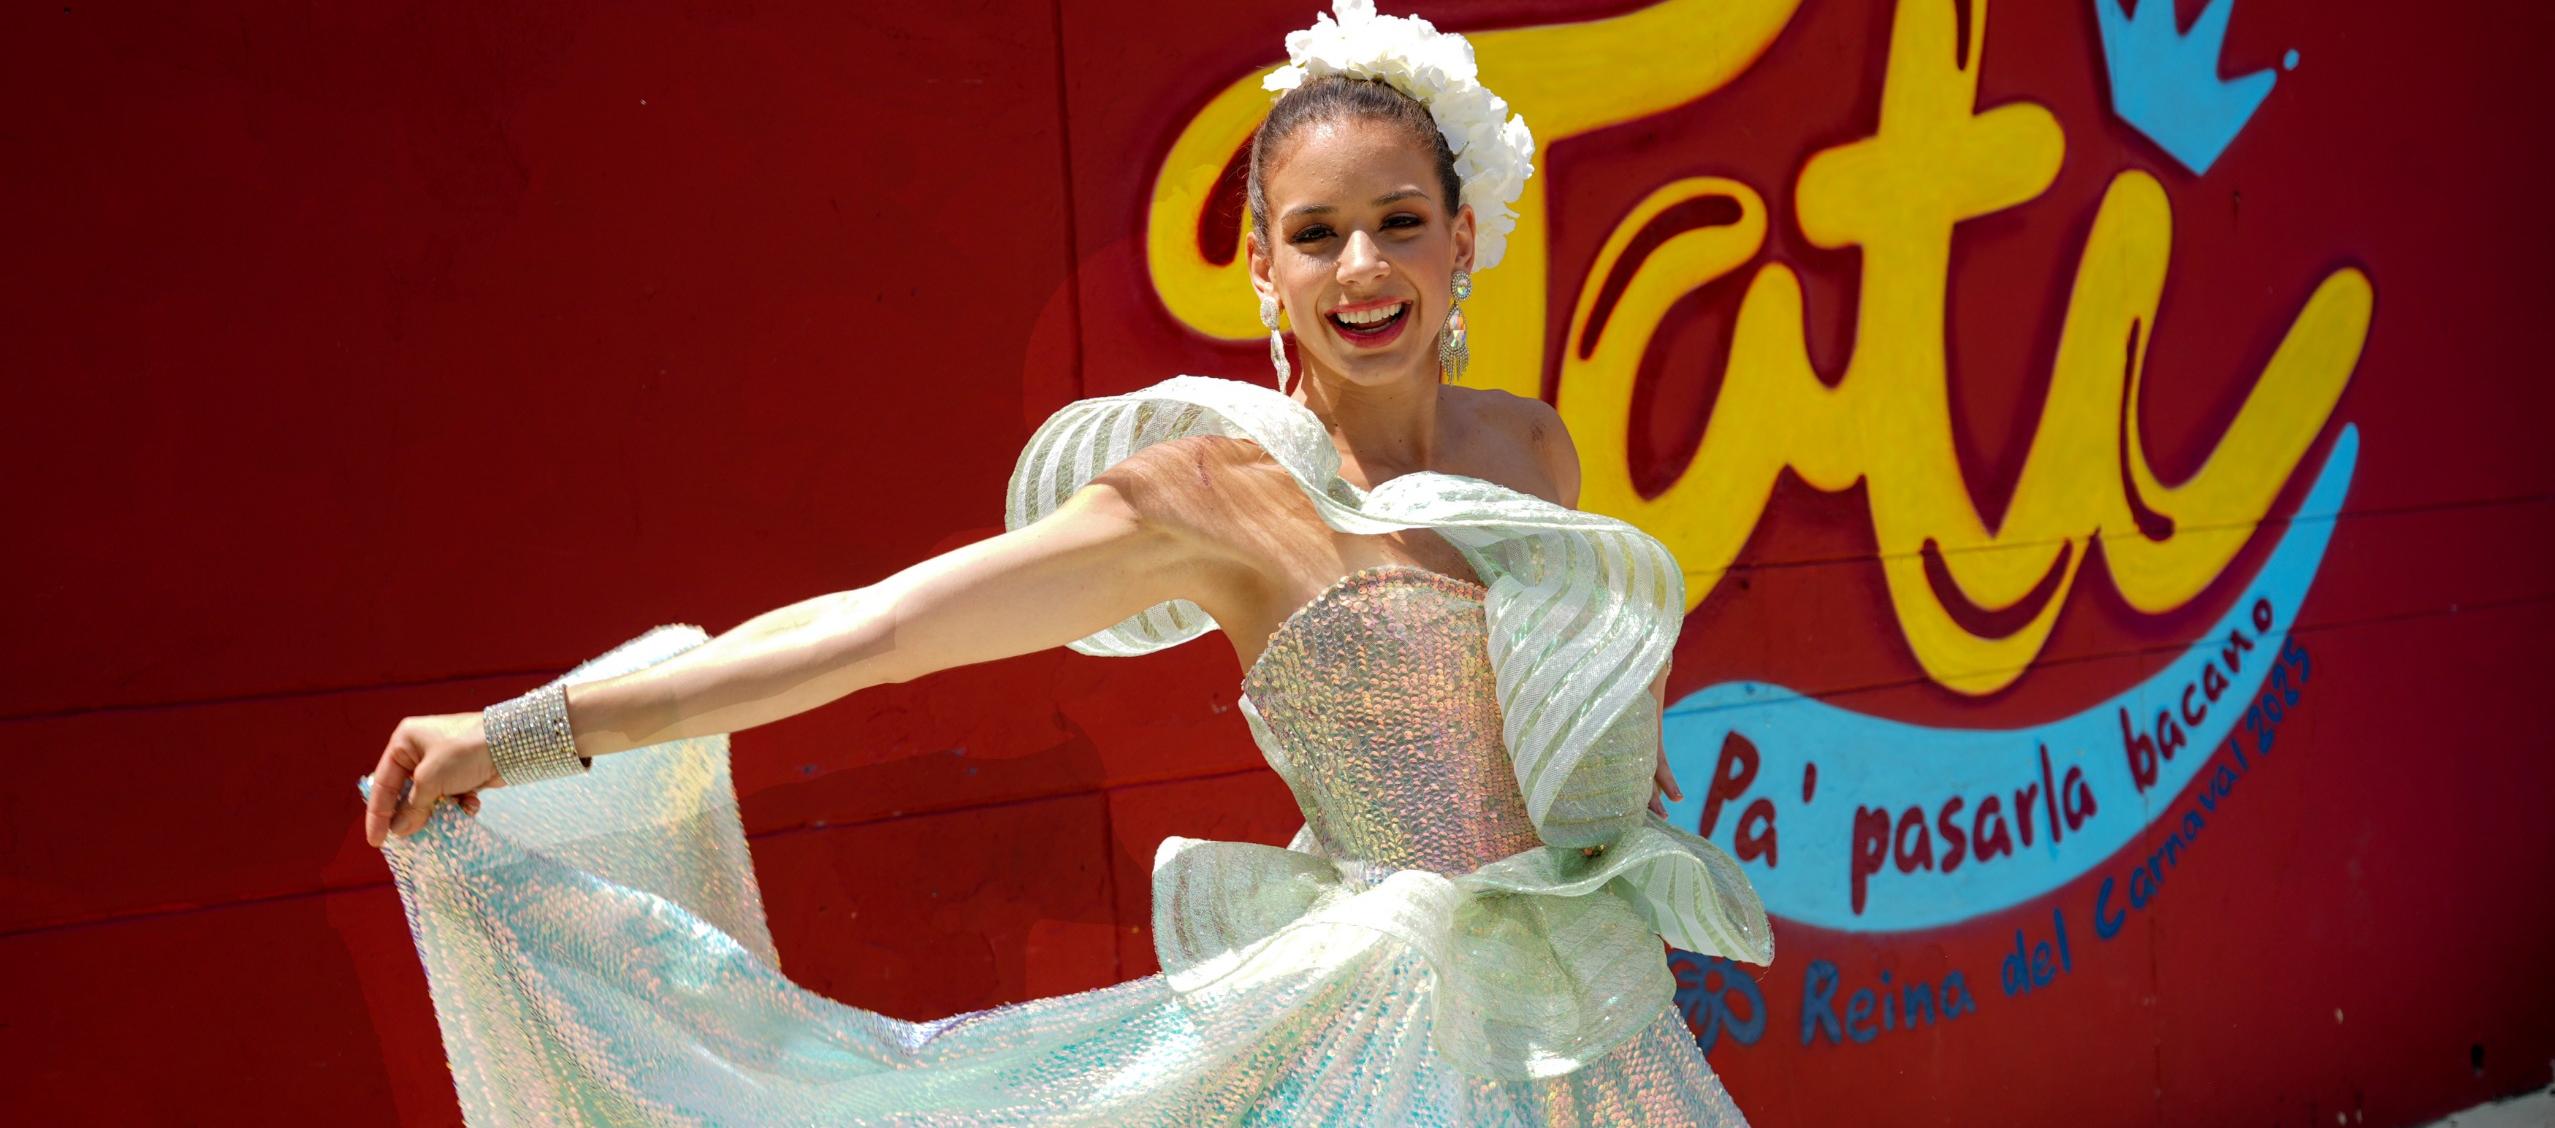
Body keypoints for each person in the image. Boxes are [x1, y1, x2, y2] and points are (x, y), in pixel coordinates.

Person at [358, 2, 1772, 1122]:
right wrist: (523, 735)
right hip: (1388, 1047)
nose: (1363, 266)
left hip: (1594, 1033)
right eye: (1316, 233)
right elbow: (880, 630)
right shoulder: (1206, 493)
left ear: (1464, 240)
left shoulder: (1532, 449)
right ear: (1262, 271)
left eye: (1400, 222)